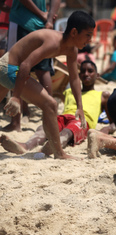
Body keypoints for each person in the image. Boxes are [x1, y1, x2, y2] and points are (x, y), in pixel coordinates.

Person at [0, 10, 95, 159]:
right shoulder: (53, 43)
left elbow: (74, 78)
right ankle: (59, 153)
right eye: (88, 35)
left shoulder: (72, 50)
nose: (90, 40)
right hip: (9, 68)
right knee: (50, 104)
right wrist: (17, 97)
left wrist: (80, 107)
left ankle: (57, 151)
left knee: (49, 104)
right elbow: (25, 65)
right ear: (74, 32)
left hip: (7, 65)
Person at [0, 60, 112, 155]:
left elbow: (113, 121)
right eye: (82, 71)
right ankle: (26, 146)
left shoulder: (103, 95)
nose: (86, 74)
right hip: (63, 117)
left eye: (90, 71)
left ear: (97, 75)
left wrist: (105, 129)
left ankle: (49, 147)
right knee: (42, 128)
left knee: (68, 132)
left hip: (82, 121)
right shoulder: (68, 92)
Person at [3, 0, 60, 132]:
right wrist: (49, 19)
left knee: (13, 67)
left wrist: (42, 14)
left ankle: (15, 122)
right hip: (43, 26)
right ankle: (50, 120)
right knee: (43, 70)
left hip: (22, 21)